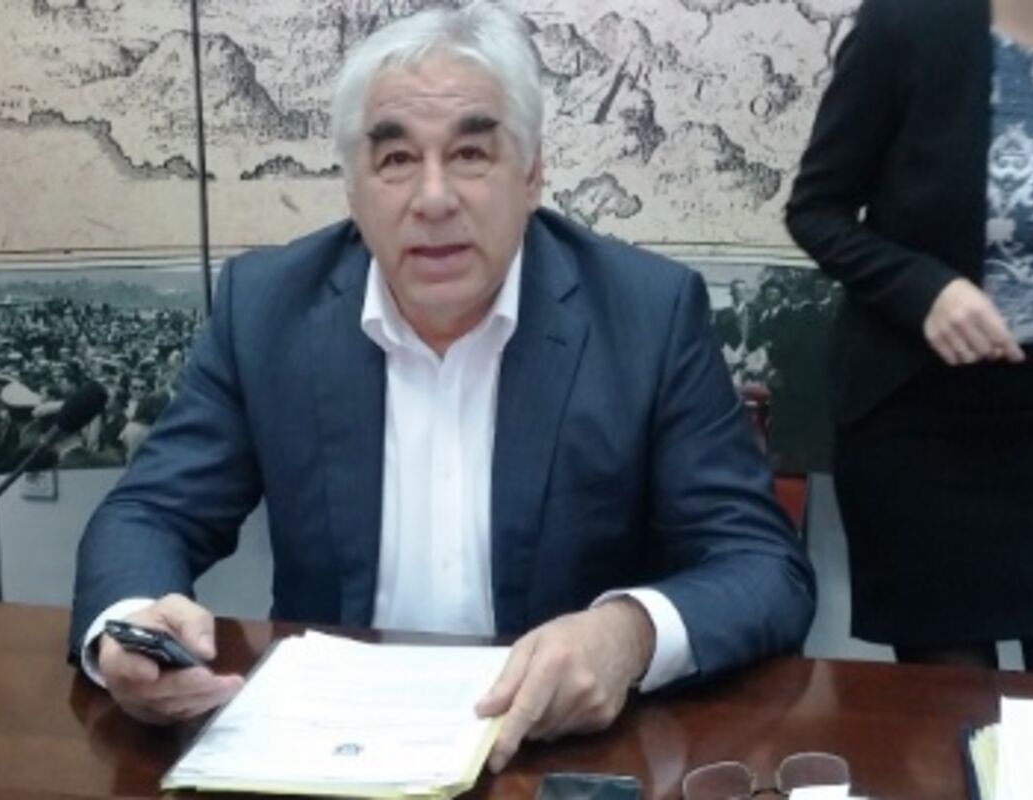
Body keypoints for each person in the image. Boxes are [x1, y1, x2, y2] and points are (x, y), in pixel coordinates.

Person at [70, 0, 815, 772]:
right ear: (352, 188)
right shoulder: (269, 311)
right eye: (396, 160)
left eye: (470, 154)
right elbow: (149, 512)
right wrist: (130, 627)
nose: (433, 199)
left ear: (531, 174)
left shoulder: (645, 316)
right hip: (332, 753)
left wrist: (629, 634)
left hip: (562, 756)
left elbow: (762, 566)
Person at [786, 0, 1033, 672]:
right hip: (922, 425)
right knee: (954, 710)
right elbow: (816, 210)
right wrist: (925, 290)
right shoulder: (909, 22)